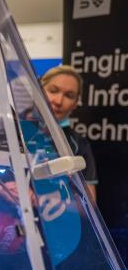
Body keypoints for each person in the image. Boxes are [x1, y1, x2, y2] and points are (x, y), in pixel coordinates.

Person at [41, 64, 97, 201]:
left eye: (69, 95)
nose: (58, 101)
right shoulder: (12, 128)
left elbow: (89, 202)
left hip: (53, 220)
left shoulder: (78, 144)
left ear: (75, 103)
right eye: (53, 90)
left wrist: (41, 200)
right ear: (39, 90)